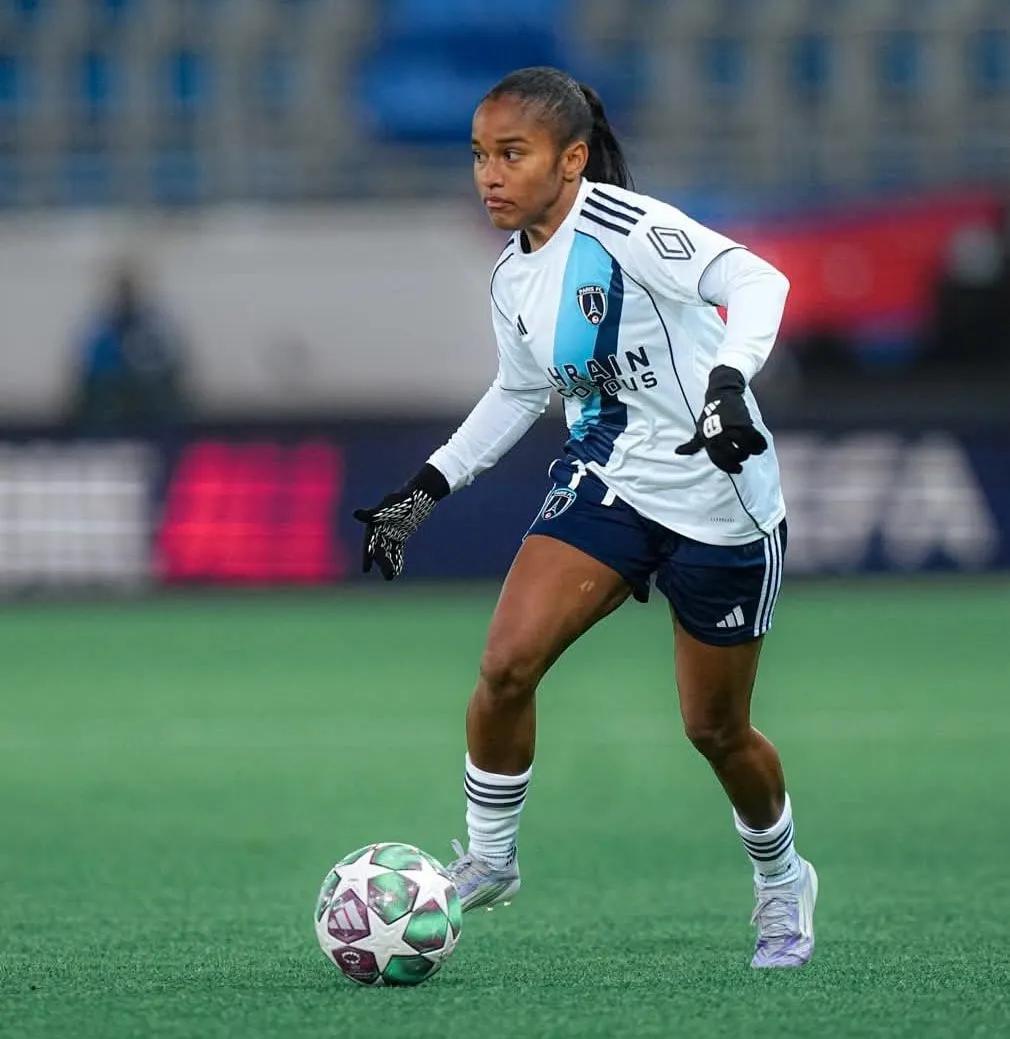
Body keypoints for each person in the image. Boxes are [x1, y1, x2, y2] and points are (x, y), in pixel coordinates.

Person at [354, 67, 817, 969]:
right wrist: (424, 489)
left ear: (571, 160)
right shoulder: (513, 278)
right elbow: (518, 393)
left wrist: (728, 381)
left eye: (512, 155)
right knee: (504, 664)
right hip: (609, 485)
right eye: (480, 156)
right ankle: (489, 858)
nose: (490, 175)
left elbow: (758, 281)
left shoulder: (628, 229)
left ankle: (781, 879)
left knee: (715, 730)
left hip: (720, 499)